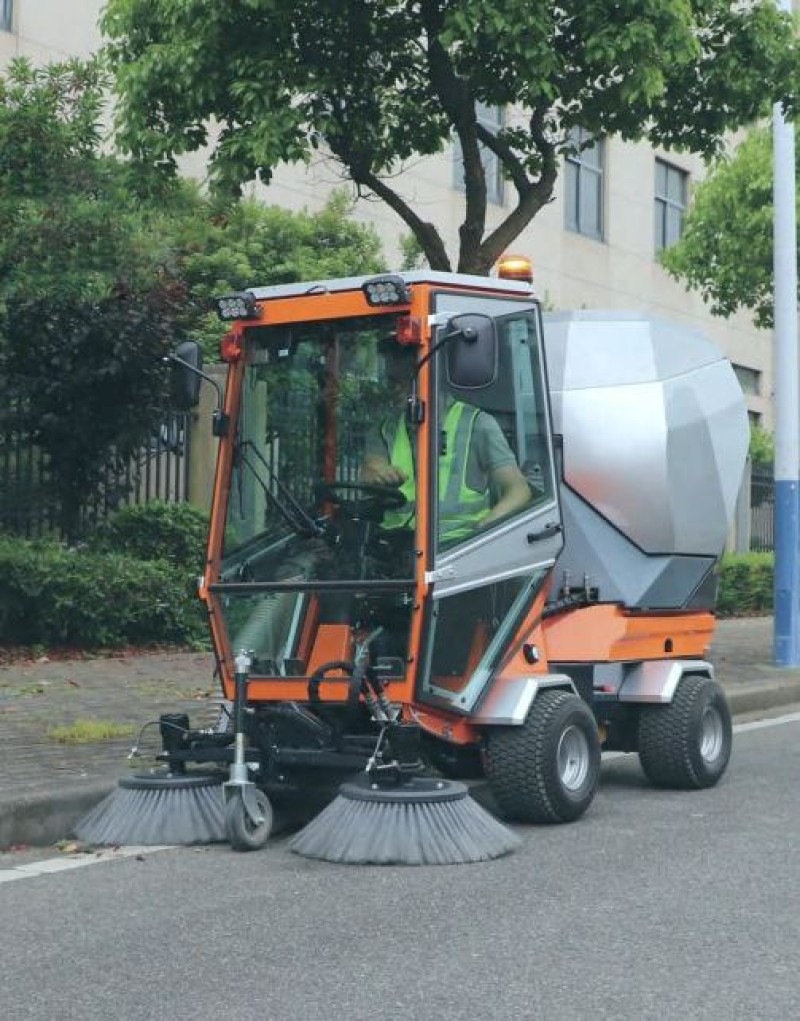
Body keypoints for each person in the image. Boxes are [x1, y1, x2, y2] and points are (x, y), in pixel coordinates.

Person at [361, 345, 532, 544]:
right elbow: (371, 467)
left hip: (459, 546)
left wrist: (484, 531)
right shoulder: (385, 429)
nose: (395, 389)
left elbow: (518, 490)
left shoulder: (477, 424)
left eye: (405, 380)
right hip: (395, 545)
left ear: (432, 378)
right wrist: (378, 473)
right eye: (391, 382)